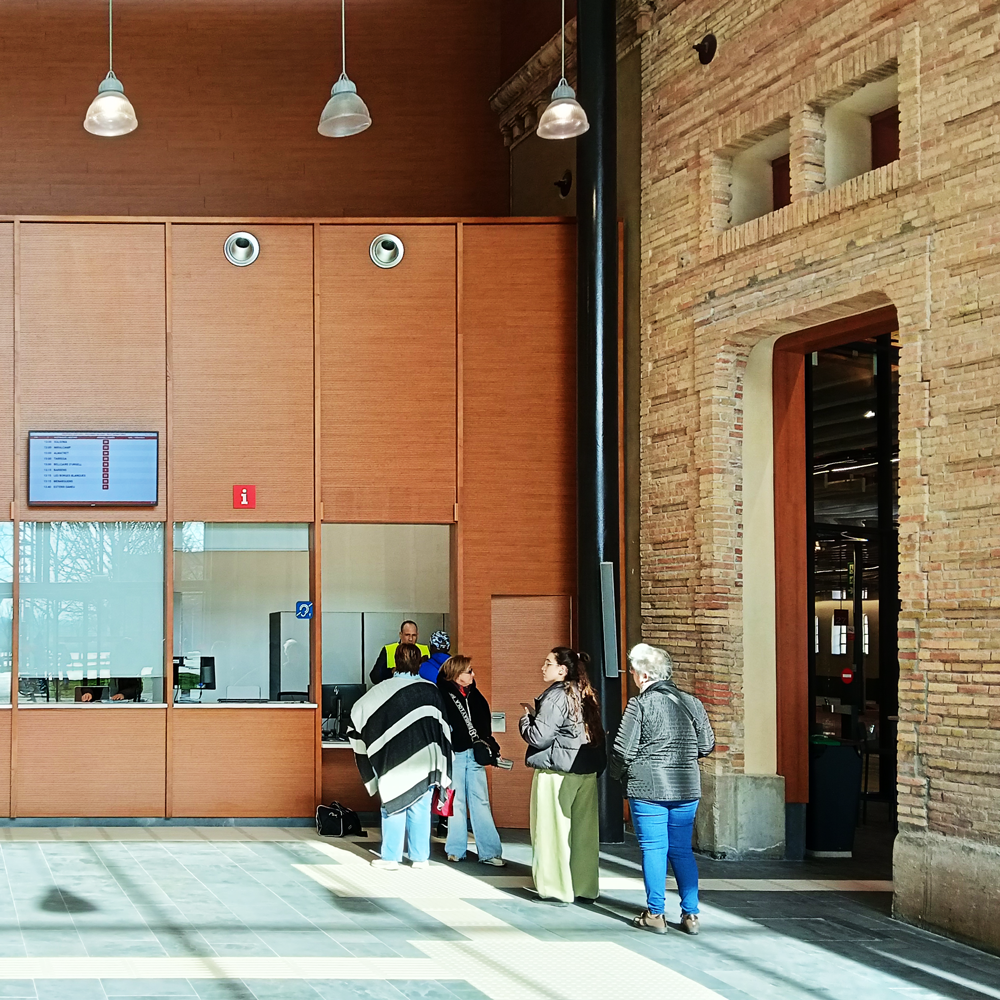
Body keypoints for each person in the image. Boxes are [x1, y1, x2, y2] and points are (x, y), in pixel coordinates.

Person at [609, 642, 716, 936]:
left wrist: (616, 776)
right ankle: (691, 914)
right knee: (681, 850)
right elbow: (707, 745)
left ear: (643, 675)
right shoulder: (693, 703)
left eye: (633, 671)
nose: (632, 676)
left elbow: (622, 750)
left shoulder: (639, 704)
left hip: (648, 788)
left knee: (654, 849)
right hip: (687, 787)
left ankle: (656, 914)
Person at [349, 643, 453, 869]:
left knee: (393, 804)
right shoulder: (431, 690)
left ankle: (390, 858)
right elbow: (444, 727)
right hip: (426, 759)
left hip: (394, 759)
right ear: (420, 663)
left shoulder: (382, 690)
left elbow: (357, 713)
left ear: (395, 662)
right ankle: (420, 858)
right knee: (421, 808)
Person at [519, 646, 605, 905]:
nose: (542, 667)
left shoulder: (556, 696)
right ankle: (584, 887)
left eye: (548, 663)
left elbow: (539, 737)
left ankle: (555, 888)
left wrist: (525, 720)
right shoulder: (586, 693)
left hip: (556, 772)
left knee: (551, 831)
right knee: (584, 834)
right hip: (586, 770)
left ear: (562, 670)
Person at [436, 654, 506, 867]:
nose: (473, 674)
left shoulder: (476, 696)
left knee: (480, 801)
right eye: (469, 671)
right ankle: (455, 849)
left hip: (474, 755)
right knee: (456, 801)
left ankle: (490, 852)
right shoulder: (441, 696)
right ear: (457, 675)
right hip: (454, 755)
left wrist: (491, 747)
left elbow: (485, 726)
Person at [369, 620, 430, 684]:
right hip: (394, 687)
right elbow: (374, 677)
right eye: (407, 635)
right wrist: (393, 671)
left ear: (417, 635)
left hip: (419, 687)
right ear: (401, 635)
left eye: (414, 635)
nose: (410, 639)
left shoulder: (425, 649)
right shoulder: (389, 649)